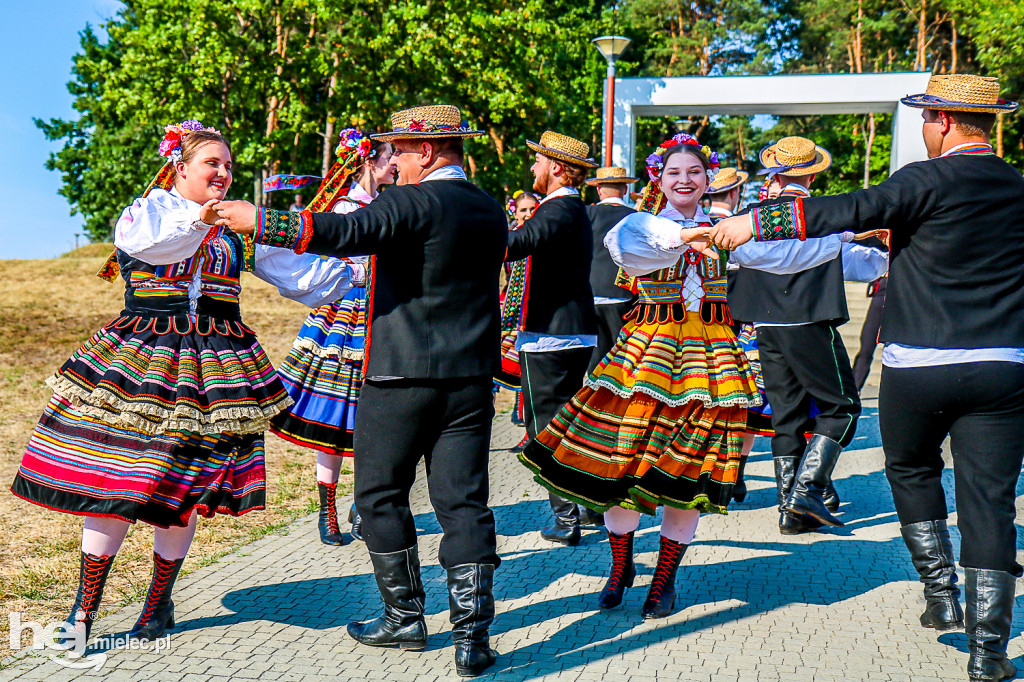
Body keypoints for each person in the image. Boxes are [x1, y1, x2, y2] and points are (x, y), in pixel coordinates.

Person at [707, 73, 1024, 682]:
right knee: (991, 501)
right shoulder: (1016, 187)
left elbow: (846, 210)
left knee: (910, 469)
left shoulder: (922, 180)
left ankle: (941, 595)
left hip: (920, 365)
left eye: (927, 120)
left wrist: (757, 223)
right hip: (1002, 366)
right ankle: (990, 653)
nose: (925, 131)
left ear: (945, 122)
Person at [10, 121, 356, 652]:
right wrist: (202, 217)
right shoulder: (148, 211)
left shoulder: (239, 228)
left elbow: (303, 279)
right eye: (212, 163)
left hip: (217, 372)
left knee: (182, 492)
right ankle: (83, 609)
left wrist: (359, 268)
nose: (223, 172)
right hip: (144, 362)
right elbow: (150, 245)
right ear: (180, 167)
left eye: (229, 165)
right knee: (115, 486)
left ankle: (157, 606)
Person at [216, 105, 507, 678]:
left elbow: (342, 232)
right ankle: (472, 639)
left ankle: (405, 617)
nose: (391, 162)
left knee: (378, 495)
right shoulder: (490, 208)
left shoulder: (408, 201)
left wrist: (261, 220)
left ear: (425, 151)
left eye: (397, 150)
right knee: (464, 504)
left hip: (398, 376)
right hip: (471, 381)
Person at [267, 127, 396, 546]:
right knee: (337, 409)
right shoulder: (346, 207)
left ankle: (364, 501)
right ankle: (327, 509)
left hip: (383, 310)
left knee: (376, 413)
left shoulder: (391, 203)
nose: (396, 162)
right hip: (345, 313)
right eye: (390, 155)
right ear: (367, 160)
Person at [727, 137, 861, 534]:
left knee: (787, 416)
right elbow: (846, 262)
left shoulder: (751, 216)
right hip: (808, 322)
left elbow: (742, 257)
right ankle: (806, 491)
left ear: (775, 172)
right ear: (815, 173)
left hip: (765, 326)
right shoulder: (823, 216)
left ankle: (792, 511)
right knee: (843, 409)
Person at [506, 131, 599, 547]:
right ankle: (586, 505)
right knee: (571, 422)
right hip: (570, 328)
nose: (532, 168)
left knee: (545, 426)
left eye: (538, 161)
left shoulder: (558, 206)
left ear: (556, 167)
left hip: (550, 332)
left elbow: (515, 244)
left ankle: (567, 517)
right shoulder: (571, 208)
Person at [583, 166, 639, 375]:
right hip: (625, 295)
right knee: (623, 362)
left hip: (591, 294)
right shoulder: (635, 217)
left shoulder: (587, 214)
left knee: (595, 364)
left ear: (599, 190)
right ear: (624, 189)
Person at [496, 191, 540, 449]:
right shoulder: (509, 237)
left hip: (532, 309)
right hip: (510, 309)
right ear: (514, 212)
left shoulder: (538, 235)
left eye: (532, 208)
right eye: (523, 210)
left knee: (529, 368)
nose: (527, 214)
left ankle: (528, 429)